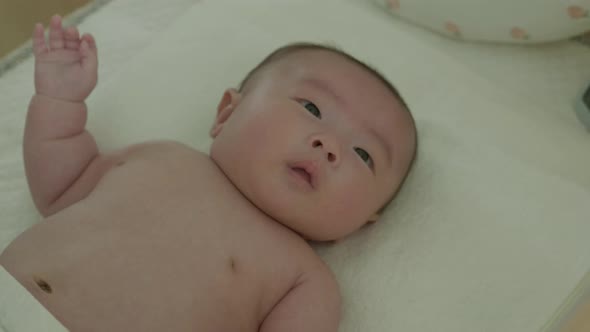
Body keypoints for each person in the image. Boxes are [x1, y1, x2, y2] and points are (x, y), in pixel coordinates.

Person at [0, 14, 417, 331]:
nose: (330, 146)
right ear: (227, 112)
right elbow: (62, 186)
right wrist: (60, 102)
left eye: (364, 154)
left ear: (366, 221)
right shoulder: (162, 157)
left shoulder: (304, 280)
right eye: (311, 108)